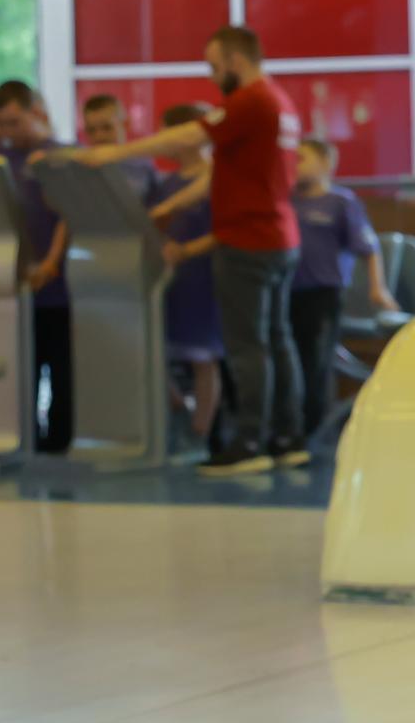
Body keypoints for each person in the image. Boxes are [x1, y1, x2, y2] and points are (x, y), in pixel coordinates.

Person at [63, 25, 305, 477]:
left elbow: (185, 137)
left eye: (214, 67)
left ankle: (250, 440)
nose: (213, 77)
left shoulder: (251, 101)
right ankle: (288, 437)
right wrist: (170, 205)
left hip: (248, 242)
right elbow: (225, 176)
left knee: (248, 346)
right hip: (278, 238)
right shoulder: (280, 104)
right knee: (275, 339)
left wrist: (112, 154)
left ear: (236, 60)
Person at [290, 137, 397, 442]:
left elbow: (368, 248)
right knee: (292, 360)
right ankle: (287, 425)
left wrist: (379, 289)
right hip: (288, 293)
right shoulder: (287, 202)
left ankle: (308, 431)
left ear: (325, 164)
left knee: (315, 362)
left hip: (323, 295)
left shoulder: (341, 202)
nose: (294, 166)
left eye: (302, 158)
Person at [0, 81, 74, 453]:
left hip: (58, 285)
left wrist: (51, 262)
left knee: (59, 364)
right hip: (17, 285)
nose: (8, 133)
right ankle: (23, 435)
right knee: (24, 363)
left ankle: (57, 438)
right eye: (1, 125)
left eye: (14, 122)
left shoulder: (59, 157)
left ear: (35, 112)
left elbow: (67, 214)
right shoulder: (1, 162)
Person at [147, 103, 226, 452]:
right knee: (159, 351)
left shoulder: (218, 178)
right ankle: (179, 411)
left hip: (206, 277)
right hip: (170, 280)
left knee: (204, 357)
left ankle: (202, 430)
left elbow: (226, 231)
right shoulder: (165, 184)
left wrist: (188, 250)